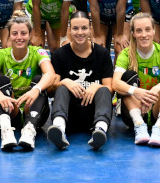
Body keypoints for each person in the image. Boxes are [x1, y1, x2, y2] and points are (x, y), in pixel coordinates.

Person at [0, 12, 57, 150]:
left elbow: (51, 75)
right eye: (15, 33)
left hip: (34, 109)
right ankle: (6, 131)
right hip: (12, 110)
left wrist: (35, 90)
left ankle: (29, 130)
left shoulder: (38, 52)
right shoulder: (0, 54)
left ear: (30, 35)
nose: (19, 37)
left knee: (39, 80)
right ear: (9, 35)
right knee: (1, 80)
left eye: (23, 33)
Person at [112, 12, 160, 147]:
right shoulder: (125, 54)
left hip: (158, 107)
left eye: (147, 29)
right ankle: (139, 125)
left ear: (154, 31)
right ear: (133, 33)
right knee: (126, 79)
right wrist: (136, 91)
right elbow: (115, 83)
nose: (144, 34)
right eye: (139, 31)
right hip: (135, 109)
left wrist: (156, 89)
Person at [45, 12, 114, 151]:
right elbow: (50, 91)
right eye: (75, 28)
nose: (80, 32)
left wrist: (97, 86)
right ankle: (59, 127)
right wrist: (64, 82)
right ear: (69, 30)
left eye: (84, 28)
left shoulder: (102, 54)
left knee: (103, 89)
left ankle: (100, 129)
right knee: (62, 88)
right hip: (69, 115)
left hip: (93, 114)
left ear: (90, 29)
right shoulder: (60, 54)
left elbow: (110, 90)